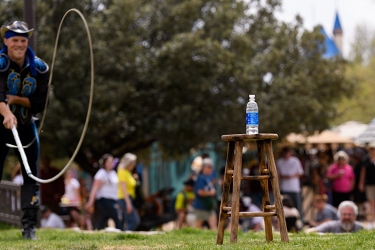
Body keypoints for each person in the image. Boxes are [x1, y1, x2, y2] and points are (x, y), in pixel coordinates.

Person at [0, 21, 49, 240]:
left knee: (31, 174)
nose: (19, 44)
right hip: (1, 126)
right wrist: (6, 112)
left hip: (27, 126)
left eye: (23, 39)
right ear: (6, 41)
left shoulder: (39, 67)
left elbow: (40, 103)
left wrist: (17, 100)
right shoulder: (0, 63)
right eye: (15, 39)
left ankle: (29, 227)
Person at [84, 154, 122, 230]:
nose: (111, 163)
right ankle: (121, 232)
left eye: (112, 161)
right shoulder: (101, 174)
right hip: (104, 200)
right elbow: (95, 188)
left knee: (103, 218)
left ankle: (96, 229)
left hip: (113, 199)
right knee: (117, 217)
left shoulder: (113, 173)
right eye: (109, 162)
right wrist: (91, 202)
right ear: (104, 163)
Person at [276, 146, 304, 217]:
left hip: (294, 188)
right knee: (284, 207)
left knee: (297, 206)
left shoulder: (295, 161)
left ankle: (298, 220)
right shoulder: (280, 162)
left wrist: (290, 176)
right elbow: (277, 174)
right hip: (284, 187)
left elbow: (300, 173)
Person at [117, 153, 141, 231]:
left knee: (128, 220)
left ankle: (124, 236)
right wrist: (128, 203)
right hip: (125, 199)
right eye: (133, 163)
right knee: (134, 220)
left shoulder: (128, 172)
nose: (134, 165)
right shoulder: (122, 172)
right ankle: (125, 236)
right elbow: (124, 189)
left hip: (128, 199)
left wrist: (134, 178)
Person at [192, 158, 217, 230]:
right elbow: (200, 192)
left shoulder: (206, 178)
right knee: (197, 227)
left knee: (213, 226)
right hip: (201, 206)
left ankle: (216, 240)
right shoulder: (201, 178)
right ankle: (192, 240)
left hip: (208, 207)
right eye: (209, 167)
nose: (210, 169)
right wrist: (211, 193)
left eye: (211, 167)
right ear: (204, 167)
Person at [359, 142, 375, 222]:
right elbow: (363, 172)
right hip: (369, 183)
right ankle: (372, 217)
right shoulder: (366, 159)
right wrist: (361, 183)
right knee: (371, 201)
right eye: (372, 149)